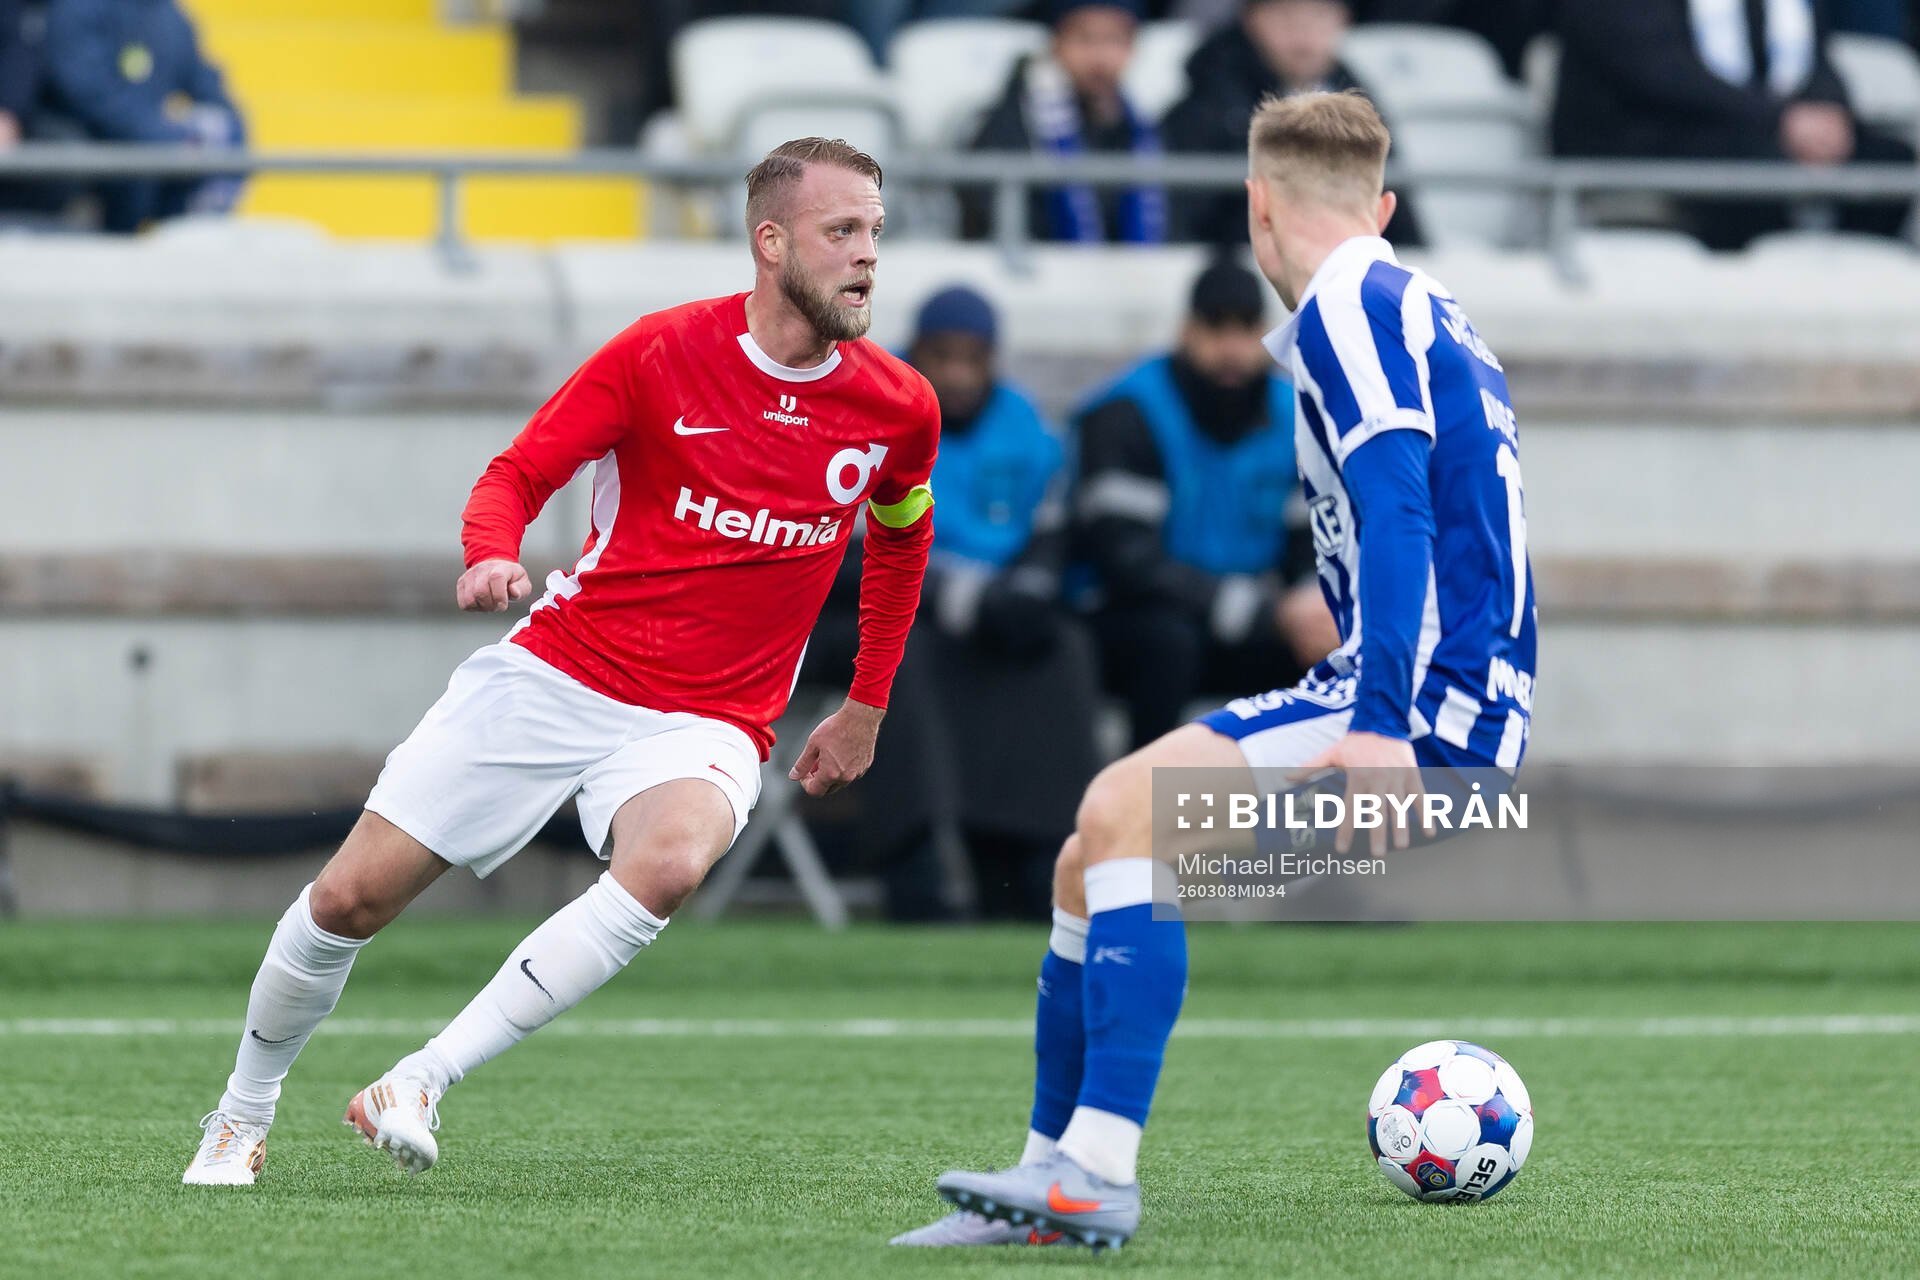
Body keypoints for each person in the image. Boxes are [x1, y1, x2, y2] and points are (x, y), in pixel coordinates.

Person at [181, 137, 941, 1186]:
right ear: (771, 242)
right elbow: (519, 471)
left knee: (671, 862)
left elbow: (902, 535)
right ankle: (238, 1115)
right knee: (348, 899)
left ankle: (421, 1077)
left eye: (876, 234)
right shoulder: (660, 354)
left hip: (710, 717)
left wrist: (866, 702)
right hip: (560, 672)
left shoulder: (898, 404)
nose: (866, 257)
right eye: (842, 231)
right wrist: (490, 550)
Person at [897, 90, 1536, 1249]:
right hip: (1447, 693)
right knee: (1092, 850)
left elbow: (1396, 508)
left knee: (1125, 813)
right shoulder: (1419, 301)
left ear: (1257, 207)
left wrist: (1385, 721)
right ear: (1383, 205)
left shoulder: (1350, 305)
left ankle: (1095, 1172)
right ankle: (1048, 1178)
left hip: (1421, 701)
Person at [1074, 259, 1337, 750]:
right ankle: (1145, 812)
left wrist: (1308, 604)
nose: (1232, 349)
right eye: (1216, 327)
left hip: (1252, 613)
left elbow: (1315, 541)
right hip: (1134, 618)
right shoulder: (1128, 412)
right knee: (1168, 642)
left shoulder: (1294, 415)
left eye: (1245, 329)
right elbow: (1128, 563)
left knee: (1335, 641)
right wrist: (1261, 609)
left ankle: (1302, 813)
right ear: (1186, 331)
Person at [906, 284, 1101, 918]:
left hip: (997, 605)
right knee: (899, 664)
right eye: (943, 356)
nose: (958, 375)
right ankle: (916, 868)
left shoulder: (1025, 427)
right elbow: (847, 545)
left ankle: (1044, 861)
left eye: (973, 358)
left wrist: (1025, 591)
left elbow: (1049, 532)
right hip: (902, 606)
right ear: (917, 354)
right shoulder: (877, 410)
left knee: (1063, 651)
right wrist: (955, 595)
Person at [1552, 0, 1916, 250]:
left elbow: (1815, 58)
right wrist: (1782, 121)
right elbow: (1661, 75)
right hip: (1647, 136)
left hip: (1754, 130)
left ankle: (1847, 302)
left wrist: (1829, 112)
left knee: (1888, 159)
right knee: (1748, 167)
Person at [1161, 0, 1423, 246]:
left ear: (1343, 20)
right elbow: (1182, 222)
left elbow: (1400, 221)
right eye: (1286, 16)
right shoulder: (1208, 105)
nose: (1303, 35)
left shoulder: (1363, 102)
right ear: (1251, 20)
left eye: (1319, 15)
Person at [961, 0, 1169, 244]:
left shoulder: (1142, 129)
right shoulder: (1011, 122)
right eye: (1084, 39)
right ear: (1056, 41)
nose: (1099, 58)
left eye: (1115, 40)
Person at [39, 0, 245, 232]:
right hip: (96, 150)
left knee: (216, 139)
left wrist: (229, 126)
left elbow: (205, 83)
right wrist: (167, 135)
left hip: (151, 150)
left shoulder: (170, 15)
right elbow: (85, 92)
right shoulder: (78, 8)